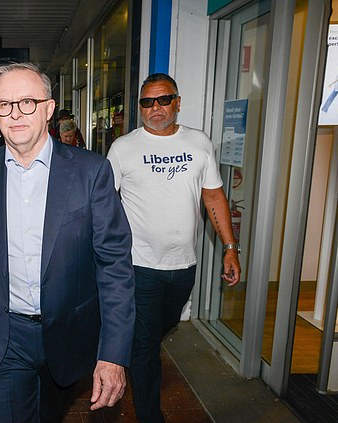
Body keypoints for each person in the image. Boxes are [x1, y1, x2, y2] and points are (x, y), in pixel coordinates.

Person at [0, 62, 135, 423]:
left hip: (68, 333)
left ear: (49, 108)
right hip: (4, 336)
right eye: (4, 104)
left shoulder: (91, 171)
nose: (15, 113)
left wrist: (113, 354)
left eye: (27, 102)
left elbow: (114, 266)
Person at [107, 73, 241, 423]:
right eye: (147, 102)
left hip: (184, 266)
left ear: (177, 102)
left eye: (163, 100)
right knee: (146, 345)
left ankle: (137, 344)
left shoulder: (199, 144)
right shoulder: (124, 148)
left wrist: (230, 247)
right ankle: (150, 415)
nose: (155, 108)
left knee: (161, 327)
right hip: (139, 265)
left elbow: (213, 195)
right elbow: (105, 203)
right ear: (140, 107)